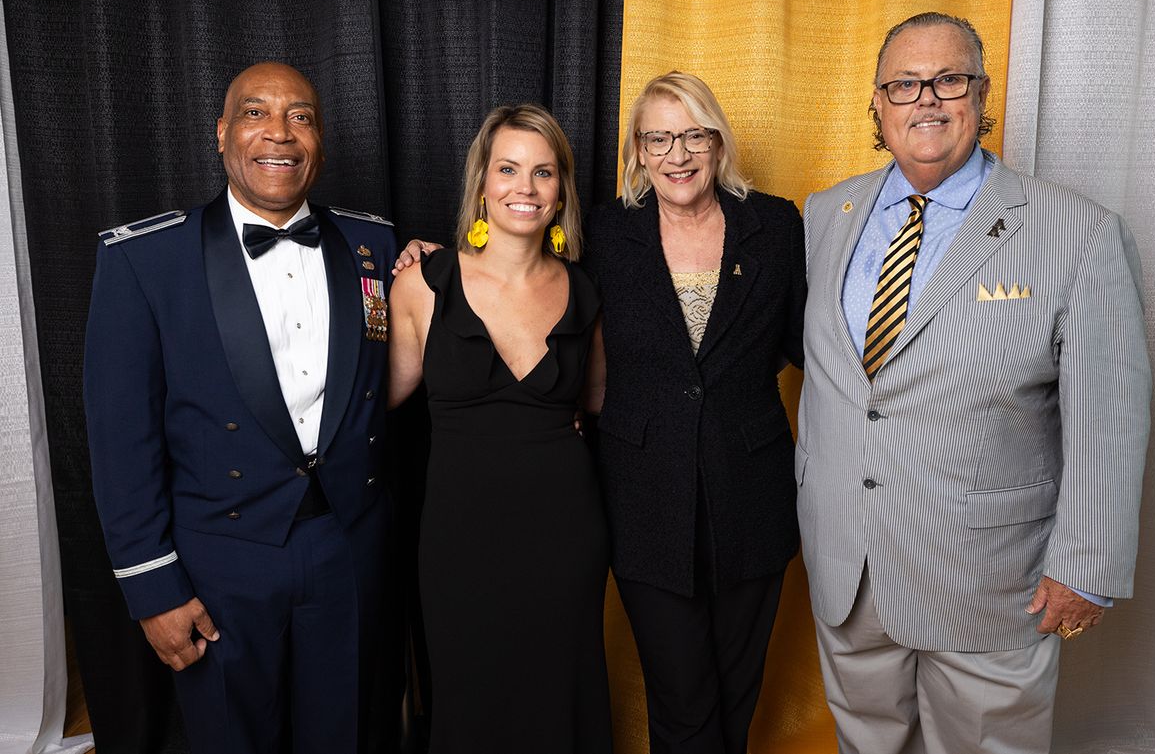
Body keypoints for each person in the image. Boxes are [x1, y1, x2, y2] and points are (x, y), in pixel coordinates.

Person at [796, 12, 1151, 754]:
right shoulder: (826, 215)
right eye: (903, 84)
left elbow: (1109, 414)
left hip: (989, 582)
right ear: (877, 105)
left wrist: (1086, 563)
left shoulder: (1077, 232)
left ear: (982, 95)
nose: (925, 100)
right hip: (849, 569)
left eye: (948, 79)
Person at [83, 62, 398, 754]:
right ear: (222, 132)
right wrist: (152, 590)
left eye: (301, 117)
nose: (279, 133)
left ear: (321, 138)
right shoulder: (145, 259)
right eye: (256, 113)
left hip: (346, 547)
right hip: (217, 563)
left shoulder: (373, 244)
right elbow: (119, 442)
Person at [586, 72, 806, 753]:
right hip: (644, 496)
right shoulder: (602, 231)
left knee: (736, 691)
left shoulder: (775, 224)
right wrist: (437, 255)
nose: (677, 154)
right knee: (681, 698)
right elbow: (522, 276)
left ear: (717, 141)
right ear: (638, 151)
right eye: (659, 137)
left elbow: (805, 342)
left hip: (752, 492)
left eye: (693, 135)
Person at [387, 104, 612, 753]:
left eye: (544, 173)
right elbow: (369, 400)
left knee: (560, 699)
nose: (526, 187)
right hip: (460, 538)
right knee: (470, 700)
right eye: (508, 168)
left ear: (562, 190)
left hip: (565, 536)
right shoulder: (422, 286)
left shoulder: (585, 291)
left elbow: (598, 400)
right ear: (481, 182)